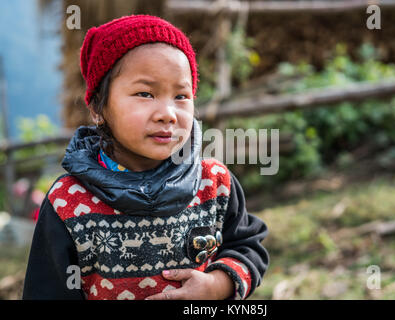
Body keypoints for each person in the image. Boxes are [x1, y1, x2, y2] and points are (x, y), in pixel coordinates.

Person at [22, 14, 269, 300]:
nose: (168, 113)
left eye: (181, 96)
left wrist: (217, 285)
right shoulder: (69, 201)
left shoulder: (214, 185)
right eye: (145, 93)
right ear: (98, 108)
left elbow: (247, 247)